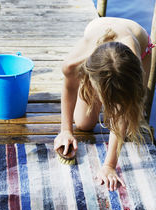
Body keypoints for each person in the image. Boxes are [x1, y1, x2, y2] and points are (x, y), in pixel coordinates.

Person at [54, 17, 155, 192]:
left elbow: (122, 112)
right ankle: (100, 95)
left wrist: (109, 165)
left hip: (139, 47)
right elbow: (69, 88)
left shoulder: (133, 61)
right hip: (98, 39)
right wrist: (66, 131)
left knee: (131, 119)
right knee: (84, 123)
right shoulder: (73, 65)